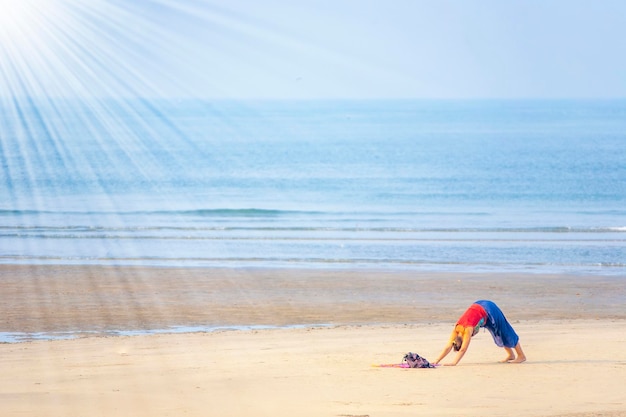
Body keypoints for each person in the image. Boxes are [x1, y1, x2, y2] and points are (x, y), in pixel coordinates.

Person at [433, 300, 526, 366]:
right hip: (479, 307)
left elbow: (463, 349)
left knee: (505, 330)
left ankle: (521, 356)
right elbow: (448, 346)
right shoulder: (456, 329)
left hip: (489, 308)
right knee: (496, 333)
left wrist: (454, 363)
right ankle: (511, 355)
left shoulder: (467, 330)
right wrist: (436, 360)